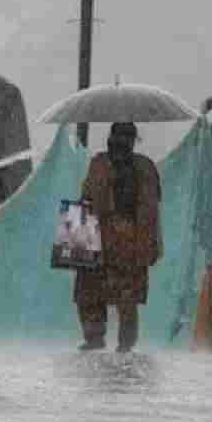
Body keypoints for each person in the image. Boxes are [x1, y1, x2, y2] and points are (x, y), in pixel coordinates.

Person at [75, 122, 162, 353]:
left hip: (129, 237)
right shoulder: (100, 164)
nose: (119, 142)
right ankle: (95, 337)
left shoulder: (143, 168)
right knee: (90, 290)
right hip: (99, 233)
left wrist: (149, 243)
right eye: (116, 136)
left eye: (125, 137)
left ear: (132, 141)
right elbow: (86, 196)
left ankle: (125, 342)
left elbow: (150, 210)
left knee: (126, 293)